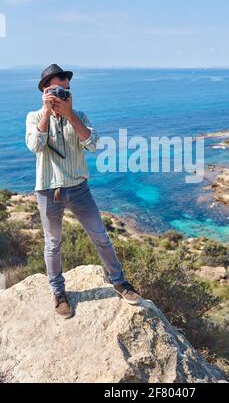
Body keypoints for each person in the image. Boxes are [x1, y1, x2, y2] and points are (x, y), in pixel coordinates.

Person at [26, 64, 142, 318]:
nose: (64, 94)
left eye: (66, 89)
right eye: (57, 90)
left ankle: (119, 282)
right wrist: (47, 113)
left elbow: (93, 144)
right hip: (48, 190)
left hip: (79, 189)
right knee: (53, 244)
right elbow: (35, 145)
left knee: (101, 236)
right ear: (45, 91)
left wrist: (70, 116)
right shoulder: (34, 117)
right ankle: (58, 293)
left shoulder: (79, 115)